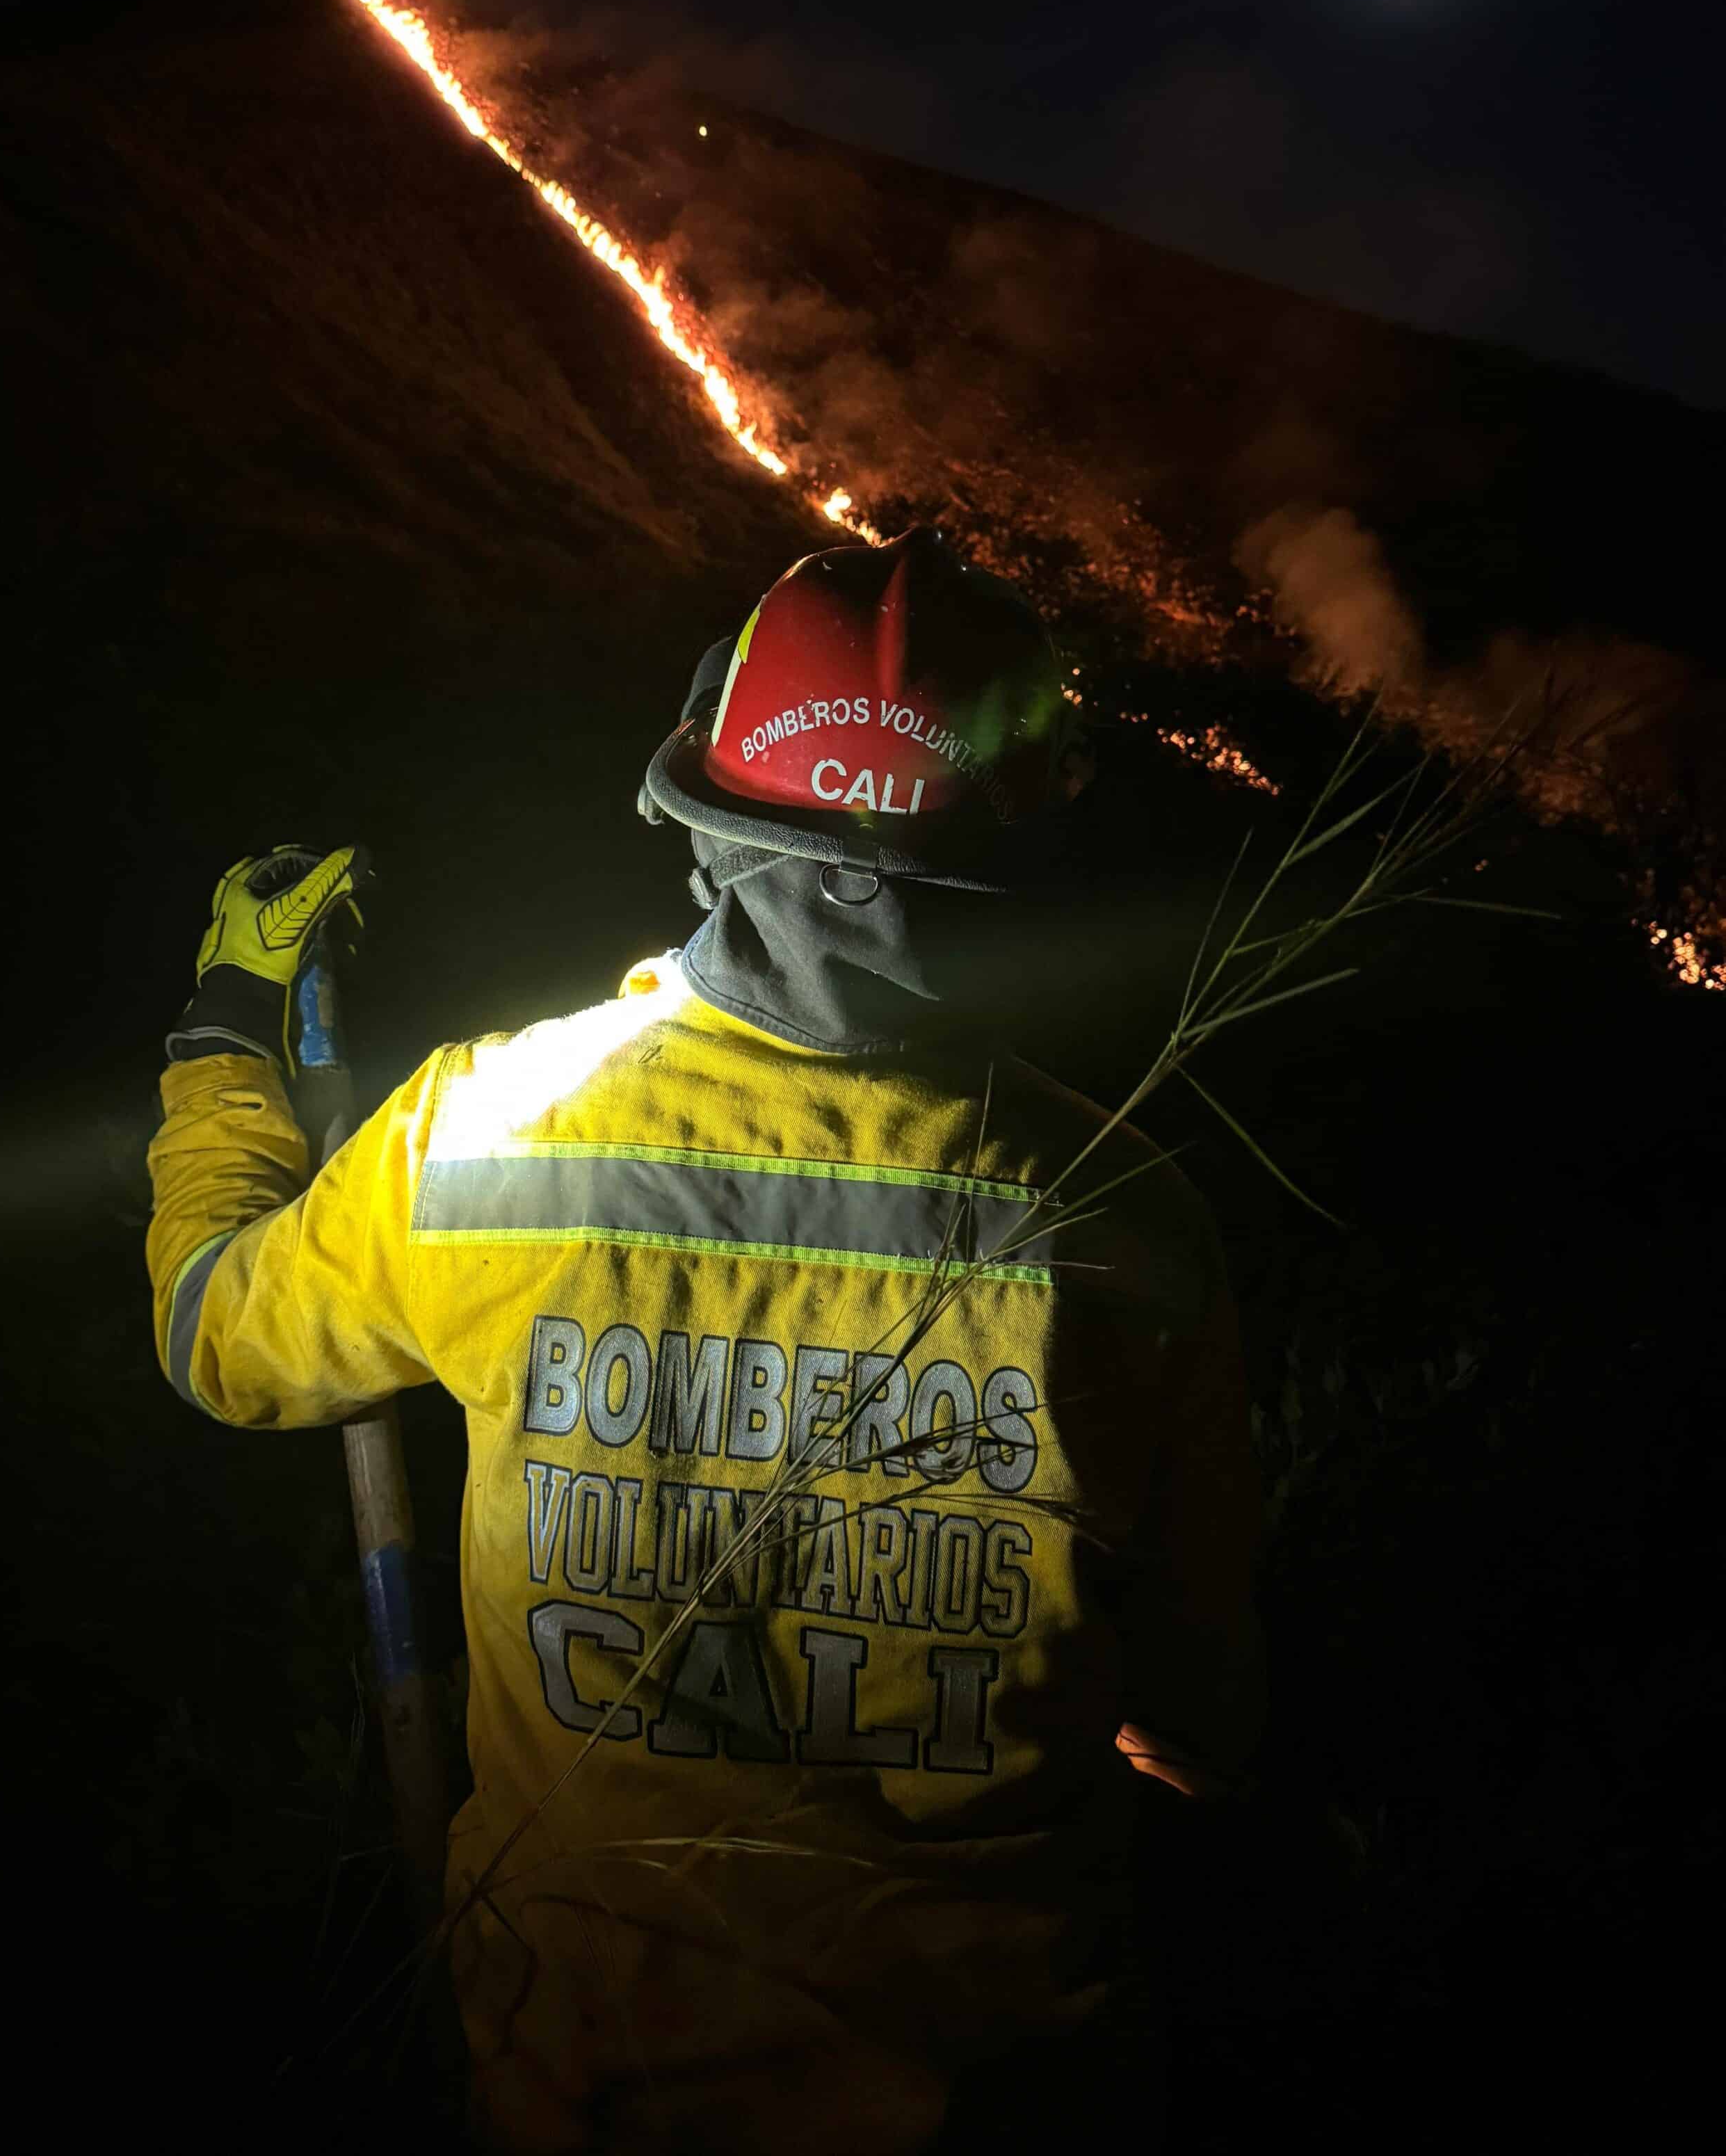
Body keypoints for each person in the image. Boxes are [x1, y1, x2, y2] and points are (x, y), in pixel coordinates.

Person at [146, 526, 1264, 2154]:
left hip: (583, 2089)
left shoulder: (481, 1133)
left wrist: (226, 1037)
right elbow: (1200, 1720)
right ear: (1026, 842)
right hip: (1015, 2099)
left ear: (704, 808)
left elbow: (214, 1334)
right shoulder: (1125, 1217)